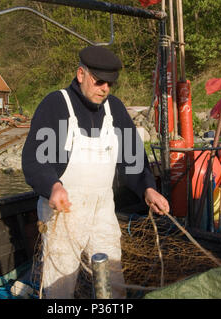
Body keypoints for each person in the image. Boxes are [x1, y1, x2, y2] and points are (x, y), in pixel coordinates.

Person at [22, 46, 170, 299]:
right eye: (99, 81)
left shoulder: (115, 109)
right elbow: (35, 161)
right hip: (64, 210)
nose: (105, 89)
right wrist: (53, 186)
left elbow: (133, 159)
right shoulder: (56, 105)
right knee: (59, 283)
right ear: (81, 74)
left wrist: (148, 188)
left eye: (110, 84)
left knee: (112, 277)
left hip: (102, 208)